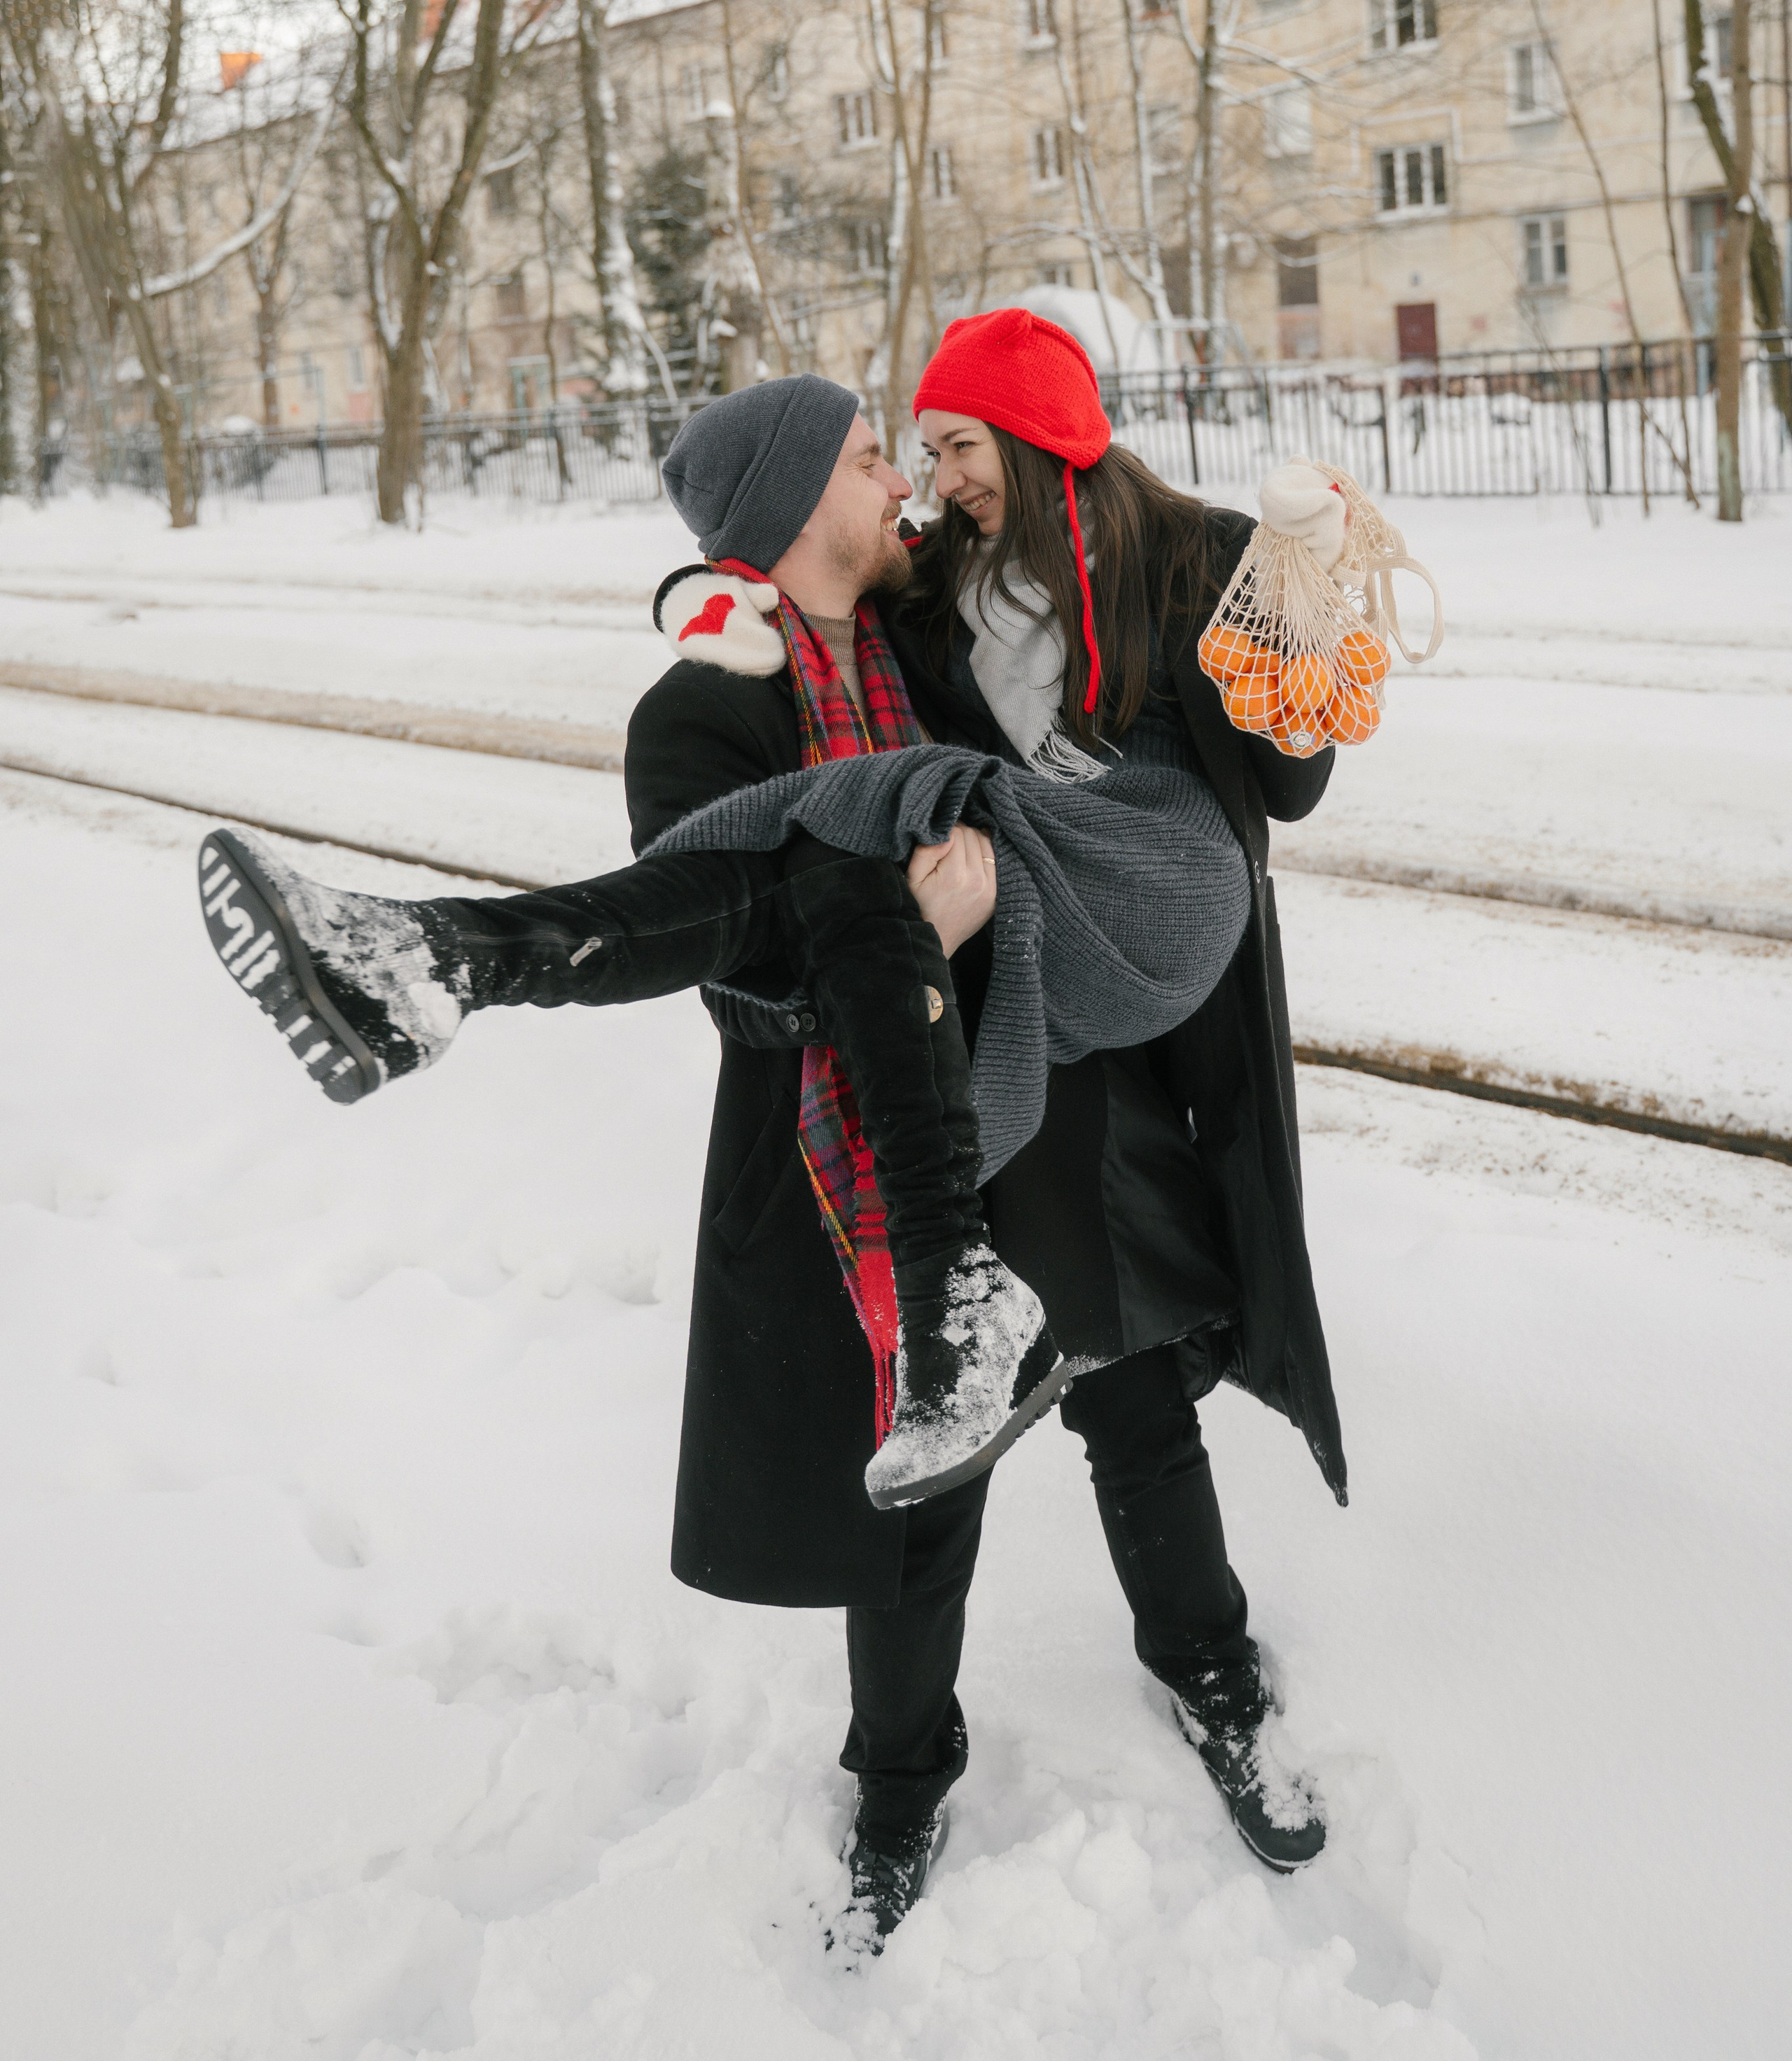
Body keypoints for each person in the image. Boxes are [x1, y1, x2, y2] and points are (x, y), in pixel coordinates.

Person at [195, 320, 1344, 1945]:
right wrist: (911, 927)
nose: (910, 485)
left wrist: (1279, 593)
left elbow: (1110, 617)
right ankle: (899, 1781)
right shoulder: (700, 711)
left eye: (921, 451)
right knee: (921, 1489)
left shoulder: (931, 628)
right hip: (863, 1133)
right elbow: (734, 980)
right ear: (801, 499)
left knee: (1135, 1398)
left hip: (1041, 1074)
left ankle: (1213, 1675)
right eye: (879, 457)